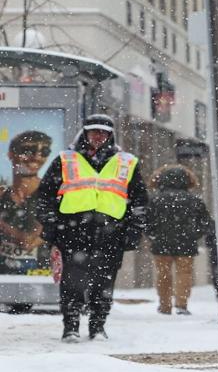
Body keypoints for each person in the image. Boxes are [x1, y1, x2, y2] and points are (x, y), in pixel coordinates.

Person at [30, 114, 149, 343]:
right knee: (72, 281)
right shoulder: (66, 160)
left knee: (104, 282)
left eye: (103, 132)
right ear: (85, 133)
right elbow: (44, 196)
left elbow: (140, 200)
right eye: (94, 132)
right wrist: (51, 224)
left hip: (112, 232)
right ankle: (71, 327)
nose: (98, 136)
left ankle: (98, 326)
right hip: (72, 231)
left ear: (111, 135)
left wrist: (134, 230)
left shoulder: (126, 162)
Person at [145, 165, 214, 316]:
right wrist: (194, 234)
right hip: (186, 243)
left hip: (161, 243)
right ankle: (182, 304)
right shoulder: (194, 200)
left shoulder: (154, 200)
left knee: (163, 274)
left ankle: (164, 305)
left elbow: (146, 221)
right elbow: (206, 223)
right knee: (185, 273)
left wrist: (153, 235)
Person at [1, 131, 53, 272]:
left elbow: (27, 241)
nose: (36, 157)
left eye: (44, 152)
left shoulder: (50, 195)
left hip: (40, 276)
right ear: (10, 154)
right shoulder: (4, 194)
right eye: (28, 150)